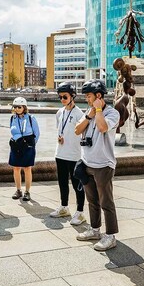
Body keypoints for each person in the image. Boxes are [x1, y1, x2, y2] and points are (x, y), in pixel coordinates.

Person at [74, 80, 121, 251]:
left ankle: (110, 236)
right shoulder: (88, 111)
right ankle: (95, 230)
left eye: (88, 96)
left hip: (103, 164)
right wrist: (89, 115)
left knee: (106, 201)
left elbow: (102, 128)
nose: (86, 99)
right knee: (92, 200)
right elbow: (77, 130)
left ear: (98, 96)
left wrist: (99, 110)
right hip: (87, 162)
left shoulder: (112, 113)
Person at [49, 82, 86, 225]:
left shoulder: (79, 114)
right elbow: (60, 129)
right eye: (60, 97)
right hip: (60, 154)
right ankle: (64, 207)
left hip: (75, 155)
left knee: (77, 184)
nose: (62, 100)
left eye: (65, 97)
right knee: (62, 183)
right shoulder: (60, 112)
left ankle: (80, 212)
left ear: (72, 96)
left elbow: (82, 134)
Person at [8, 97, 40, 201]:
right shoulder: (13, 118)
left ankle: (27, 192)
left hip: (27, 146)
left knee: (27, 168)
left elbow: (37, 134)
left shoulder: (31, 118)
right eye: (15, 107)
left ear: (24, 107)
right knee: (16, 168)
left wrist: (30, 145)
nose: (17, 109)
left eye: (19, 107)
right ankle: (18, 190)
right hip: (16, 145)